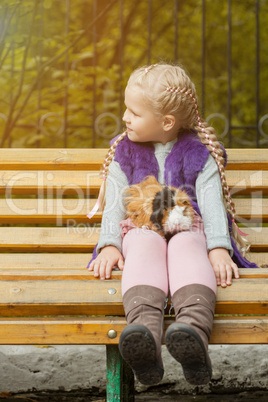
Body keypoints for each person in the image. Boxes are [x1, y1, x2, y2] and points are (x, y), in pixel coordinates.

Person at [87, 64, 257, 386]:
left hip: (186, 224)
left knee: (187, 246)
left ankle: (192, 333)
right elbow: (113, 204)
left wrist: (219, 247)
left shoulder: (198, 152)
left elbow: (211, 203)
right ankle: (145, 341)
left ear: (166, 122)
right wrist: (109, 242)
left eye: (134, 112)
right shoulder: (123, 152)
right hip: (142, 226)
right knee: (141, 246)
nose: (125, 117)